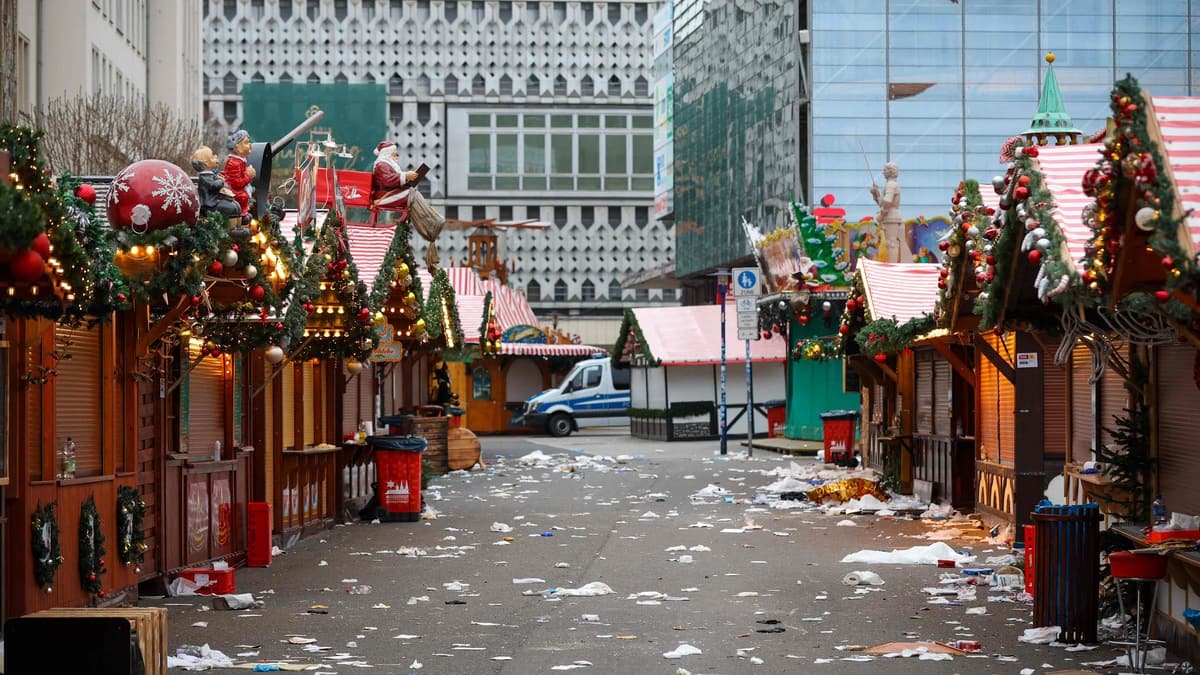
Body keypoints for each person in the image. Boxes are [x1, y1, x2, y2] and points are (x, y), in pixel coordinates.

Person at [191, 146, 242, 221]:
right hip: (209, 205)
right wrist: (220, 180)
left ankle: (235, 226)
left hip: (215, 200)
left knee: (236, 206)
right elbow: (214, 185)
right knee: (232, 208)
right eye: (212, 156)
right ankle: (229, 227)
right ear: (206, 164)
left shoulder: (210, 175)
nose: (216, 157)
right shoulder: (204, 177)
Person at [870, 162, 906, 262]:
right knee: (890, 243)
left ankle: (892, 267)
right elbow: (883, 202)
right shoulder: (891, 184)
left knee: (891, 244)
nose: (883, 172)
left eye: (885, 170)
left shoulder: (890, 185)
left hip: (891, 216)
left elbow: (887, 202)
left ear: (890, 171)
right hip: (891, 216)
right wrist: (875, 193)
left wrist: (881, 215)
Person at [371, 141, 420, 209]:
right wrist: (405, 176)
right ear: (387, 153)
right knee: (413, 195)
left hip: (389, 194)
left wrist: (408, 180)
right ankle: (428, 217)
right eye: (394, 153)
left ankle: (425, 217)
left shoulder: (387, 165)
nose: (397, 155)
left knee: (413, 194)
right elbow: (387, 180)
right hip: (383, 196)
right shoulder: (381, 165)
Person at [222, 130, 257, 219]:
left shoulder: (240, 161)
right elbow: (236, 183)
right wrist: (248, 175)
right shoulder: (234, 163)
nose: (249, 145)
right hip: (232, 190)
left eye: (249, 142)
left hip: (238, 189)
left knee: (247, 194)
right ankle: (239, 216)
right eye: (246, 143)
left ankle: (243, 214)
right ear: (237, 147)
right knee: (242, 197)